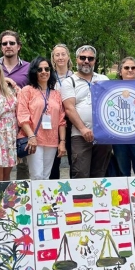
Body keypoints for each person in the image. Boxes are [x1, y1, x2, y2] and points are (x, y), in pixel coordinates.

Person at [60, 45, 111, 178]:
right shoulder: (69, 82)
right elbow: (69, 108)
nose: (86, 61)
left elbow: (111, 104)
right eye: (83, 58)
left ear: (94, 60)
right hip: (79, 135)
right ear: (76, 59)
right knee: (80, 174)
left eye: (90, 58)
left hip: (103, 135)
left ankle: (99, 200)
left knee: (100, 174)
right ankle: (82, 199)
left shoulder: (104, 80)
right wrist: (83, 129)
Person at [17, 56, 67, 180]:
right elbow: (22, 115)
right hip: (34, 139)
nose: (44, 72)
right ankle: (36, 200)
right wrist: (31, 136)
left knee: (46, 176)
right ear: (34, 71)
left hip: (52, 140)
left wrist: (62, 142)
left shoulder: (56, 94)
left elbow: (61, 120)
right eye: (40, 69)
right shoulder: (27, 91)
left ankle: (44, 200)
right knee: (37, 175)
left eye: (47, 69)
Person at [0, 30, 30, 180]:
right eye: (5, 43)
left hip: (23, 124)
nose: (8, 46)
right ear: (1, 47)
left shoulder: (29, 68)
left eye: (12, 43)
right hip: (0, 125)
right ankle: (3, 200)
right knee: (2, 169)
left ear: (19, 47)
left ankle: (23, 200)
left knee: (24, 168)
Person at [50, 44, 74, 179]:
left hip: (71, 121)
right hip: (53, 123)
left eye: (63, 54)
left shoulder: (75, 77)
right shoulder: (48, 77)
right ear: (53, 58)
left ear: (68, 56)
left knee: (73, 159)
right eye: (57, 55)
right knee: (54, 161)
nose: (60, 57)